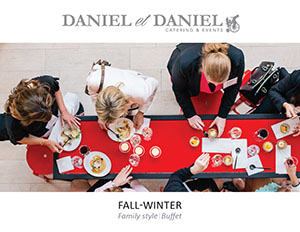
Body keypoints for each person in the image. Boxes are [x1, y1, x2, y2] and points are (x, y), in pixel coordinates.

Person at [167, 43, 245, 137]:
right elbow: (179, 90)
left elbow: (234, 87)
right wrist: (190, 115)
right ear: (202, 69)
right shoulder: (184, 63)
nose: (216, 85)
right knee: (188, 92)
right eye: (212, 81)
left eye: (220, 82)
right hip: (185, 57)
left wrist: (222, 116)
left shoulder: (237, 59)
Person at [0, 76, 82, 153]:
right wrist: (45, 142)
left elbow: (56, 87)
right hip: (40, 131)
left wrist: (64, 112)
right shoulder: (13, 124)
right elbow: (20, 138)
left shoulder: (44, 84)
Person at [86, 60, 158, 130]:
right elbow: (93, 93)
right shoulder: (93, 82)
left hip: (135, 80)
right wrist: (101, 116)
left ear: (125, 109)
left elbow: (154, 82)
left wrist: (141, 112)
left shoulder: (141, 94)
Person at [164, 153, 245, 192]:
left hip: (191, 187)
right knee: (241, 186)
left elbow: (176, 176)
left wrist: (193, 170)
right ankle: (234, 173)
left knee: (218, 178)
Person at [254, 68, 300, 136]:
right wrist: (285, 104)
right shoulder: (297, 76)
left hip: (294, 121)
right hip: (280, 100)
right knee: (255, 122)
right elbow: (274, 91)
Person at [70, 165, 149, 192]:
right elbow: (139, 188)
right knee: (92, 179)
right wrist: (131, 179)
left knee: (76, 183)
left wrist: (114, 184)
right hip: (119, 188)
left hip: (105, 190)